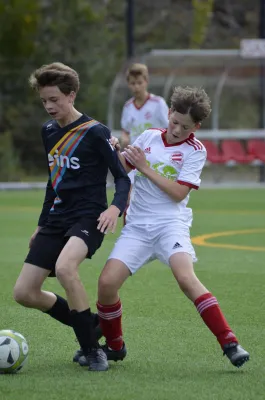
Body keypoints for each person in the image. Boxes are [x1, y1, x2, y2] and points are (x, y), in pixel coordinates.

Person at [90, 86, 249, 370]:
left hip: (170, 225)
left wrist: (145, 167)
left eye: (185, 127)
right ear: (169, 112)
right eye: (174, 122)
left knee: (186, 278)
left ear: (196, 127)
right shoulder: (149, 136)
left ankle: (230, 342)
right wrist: (112, 150)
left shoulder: (195, 151)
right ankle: (115, 347)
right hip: (137, 227)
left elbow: (178, 193)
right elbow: (123, 168)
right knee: (106, 284)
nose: (176, 130)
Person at [13, 62, 131, 372]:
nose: (49, 106)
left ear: (71, 94)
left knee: (66, 268)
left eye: (54, 99)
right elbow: (54, 181)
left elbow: (122, 178)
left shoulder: (95, 132)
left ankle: (92, 351)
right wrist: (41, 224)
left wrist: (114, 209)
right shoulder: (48, 131)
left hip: (90, 217)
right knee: (24, 293)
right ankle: (92, 324)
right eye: (44, 100)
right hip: (58, 218)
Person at [120, 63, 169, 223]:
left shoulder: (158, 103)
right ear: (129, 84)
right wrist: (124, 138)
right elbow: (125, 130)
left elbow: (170, 128)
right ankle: (130, 233)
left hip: (155, 159)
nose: (136, 87)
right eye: (133, 83)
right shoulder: (128, 106)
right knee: (129, 198)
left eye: (139, 82)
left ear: (146, 82)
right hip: (135, 157)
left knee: (153, 200)